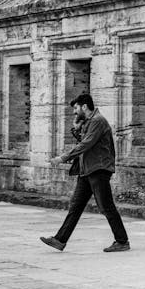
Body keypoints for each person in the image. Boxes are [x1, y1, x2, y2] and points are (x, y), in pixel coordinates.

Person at [40, 93, 130, 252]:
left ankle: (122, 241)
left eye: (76, 108)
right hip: (86, 170)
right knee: (75, 206)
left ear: (84, 106)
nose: (74, 112)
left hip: (98, 169)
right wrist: (77, 128)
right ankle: (60, 240)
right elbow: (83, 141)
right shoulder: (89, 122)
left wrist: (63, 158)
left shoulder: (98, 121)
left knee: (106, 206)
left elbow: (86, 144)